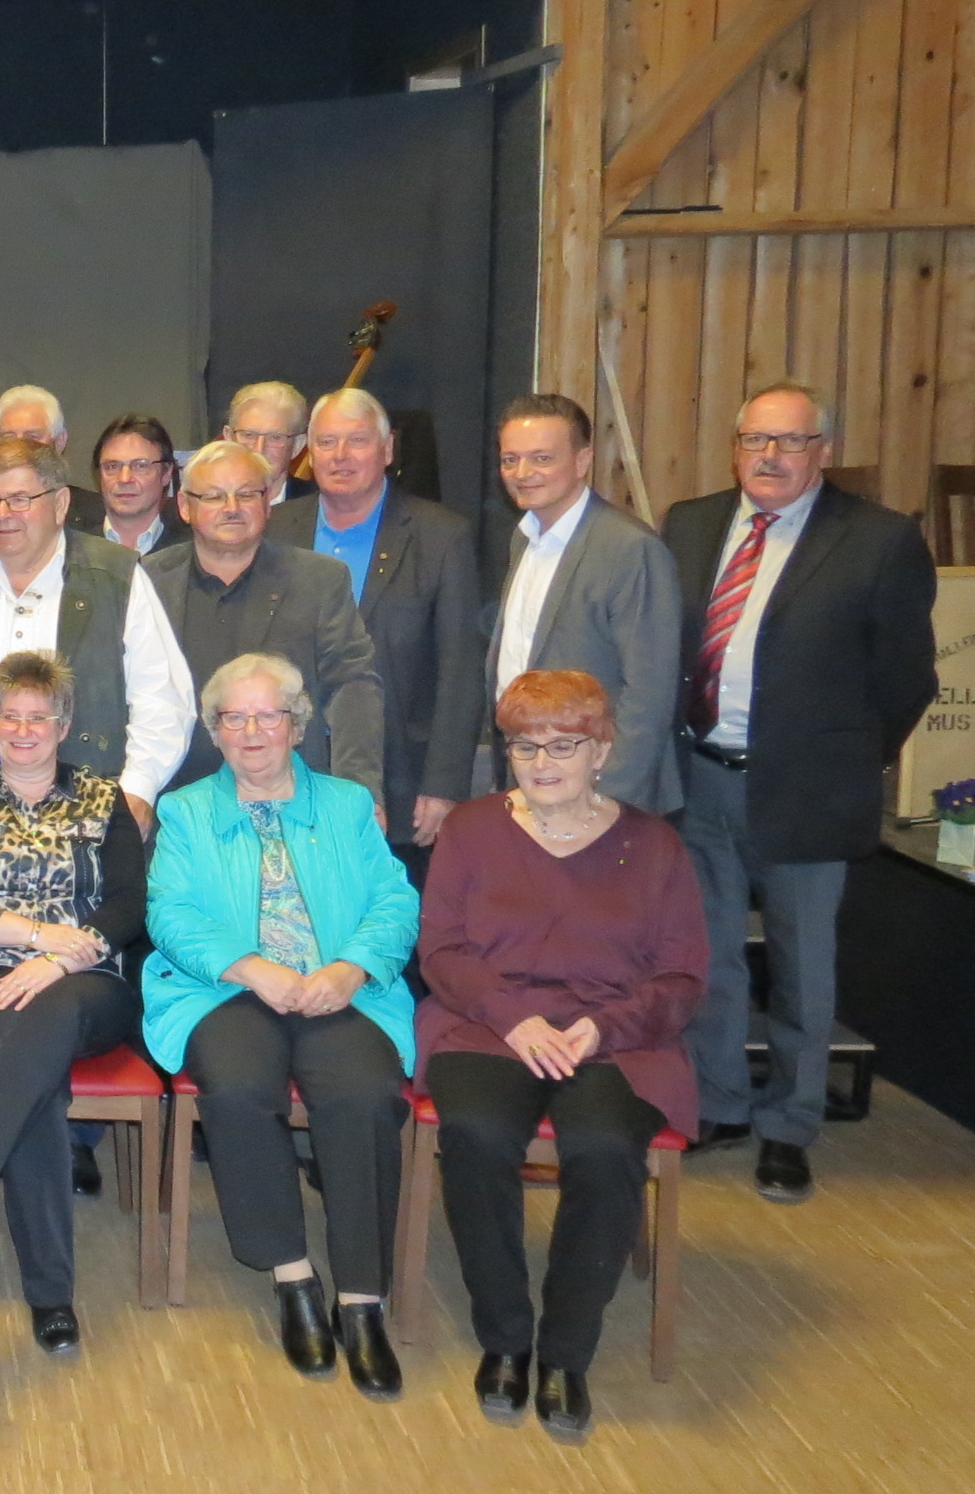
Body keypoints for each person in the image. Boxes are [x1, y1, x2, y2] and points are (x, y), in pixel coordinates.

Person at [417, 670, 708, 1441]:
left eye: (564, 744)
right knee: (476, 1134)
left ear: (603, 748)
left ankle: (566, 1353)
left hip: (615, 1038)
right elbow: (441, 950)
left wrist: (603, 1030)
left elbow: (682, 975)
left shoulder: (654, 844)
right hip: (487, 1023)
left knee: (606, 1146)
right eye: (524, 745)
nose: (542, 762)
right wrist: (515, 1019)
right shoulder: (472, 830)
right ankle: (507, 1338)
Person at [664, 382, 935, 1202]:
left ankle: (789, 1126)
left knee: (802, 969)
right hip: (699, 775)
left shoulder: (879, 540)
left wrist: (851, 757)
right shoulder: (690, 523)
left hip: (810, 790)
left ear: (823, 449)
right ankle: (722, 1105)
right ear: (735, 446)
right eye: (755, 440)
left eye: (789, 442)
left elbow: (905, 679)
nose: (770, 457)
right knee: (708, 960)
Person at [144, 653, 419, 1398]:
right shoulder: (186, 810)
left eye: (270, 715)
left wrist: (352, 968)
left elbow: (394, 903)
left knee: (363, 1093)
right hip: (225, 990)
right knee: (236, 1087)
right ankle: (291, 1272)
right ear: (216, 730)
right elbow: (170, 911)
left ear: (297, 725)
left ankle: (361, 1298)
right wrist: (249, 965)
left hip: (339, 990)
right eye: (234, 717)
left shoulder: (347, 805)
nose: (252, 731)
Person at [0, 651, 148, 1357]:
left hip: (89, 984)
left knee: (48, 1021)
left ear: (63, 723)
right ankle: (52, 1297)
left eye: (37, 716)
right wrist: (32, 935)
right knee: (36, 1084)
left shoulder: (106, 800)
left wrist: (58, 959)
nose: (22, 728)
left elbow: (131, 905)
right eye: (9, 715)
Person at [0, 439, 194, 831]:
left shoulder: (117, 578)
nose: (2, 514)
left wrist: (138, 791)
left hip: (90, 827)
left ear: (60, 505)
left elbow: (162, 700)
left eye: (21, 499)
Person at [271, 388, 486, 877]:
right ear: (308, 453)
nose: (340, 456)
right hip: (289, 774)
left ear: (388, 451)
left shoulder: (440, 536)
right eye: (326, 442)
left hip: (401, 781)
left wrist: (445, 784)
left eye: (357, 441)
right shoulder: (275, 529)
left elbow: (460, 670)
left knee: (389, 935)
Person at [145, 440, 385, 812]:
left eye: (246, 494)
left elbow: (353, 688)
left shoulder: (320, 581)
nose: (231, 509)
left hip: (297, 804)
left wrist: (359, 793)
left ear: (268, 501)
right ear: (184, 507)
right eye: (213, 497)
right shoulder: (148, 583)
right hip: (175, 806)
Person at [490, 393, 683, 814]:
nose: (522, 473)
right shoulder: (524, 539)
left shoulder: (629, 548)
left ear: (581, 461)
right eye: (510, 460)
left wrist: (609, 802)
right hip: (532, 782)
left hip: (600, 798)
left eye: (541, 459)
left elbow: (648, 695)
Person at [0, 385, 75, 547]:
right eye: (9, 438)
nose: (20, 447)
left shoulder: (94, 514)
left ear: (59, 442)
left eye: (32, 437)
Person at [89, 415, 188, 557]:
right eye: (112, 466)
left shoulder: (191, 554)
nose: (124, 478)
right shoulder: (73, 554)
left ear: (166, 473)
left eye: (140, 466)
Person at [220, 381, 317, 503]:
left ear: (298, 445)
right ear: (228, 438)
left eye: (275, 437)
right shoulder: (200, 507)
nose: (259, 449)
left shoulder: (323, 508)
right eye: (249, 435)